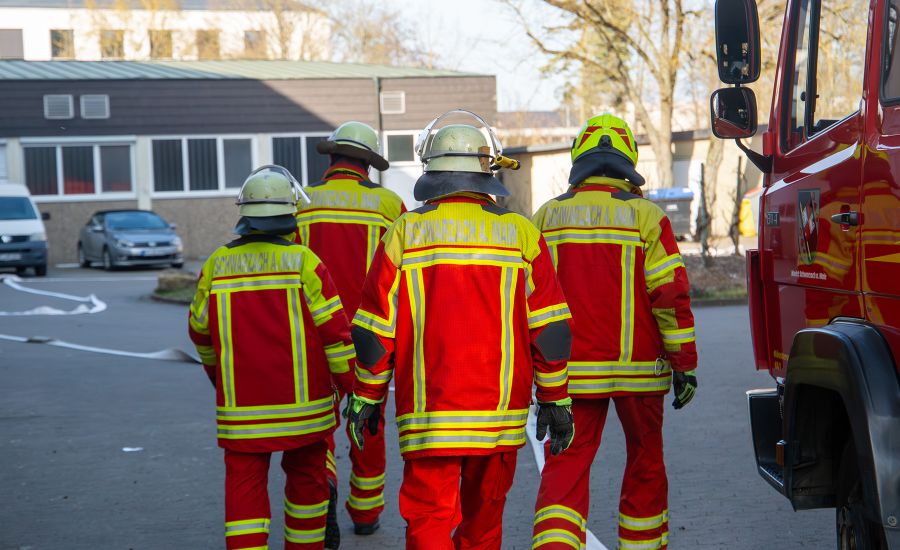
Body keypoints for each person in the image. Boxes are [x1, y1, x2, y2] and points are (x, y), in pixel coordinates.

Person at [346, 110, 575, 550]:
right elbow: (550, 332)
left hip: (428, 417)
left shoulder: (405, 233)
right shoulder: (521, 235)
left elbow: (375, 334)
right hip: (499, 419)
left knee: (429, 520)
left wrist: (367, 396)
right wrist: (554, 399)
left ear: (430, 169)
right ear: (487, 169)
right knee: (484, 524)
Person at [529, 113, 698, 550]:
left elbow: (526, 300)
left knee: (565, 466)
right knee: (645, 462)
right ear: (628, 162)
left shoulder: (546, 218)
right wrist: (684, 365)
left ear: (579, 161)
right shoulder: (647, 217)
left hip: (570, 376)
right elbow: (670, 297)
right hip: (641, 373)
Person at [188, 165, 356, 550]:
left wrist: (220, 378)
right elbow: (337, 338)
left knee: (244, 491)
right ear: (291, 211)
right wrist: (353, 390)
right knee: (307, 486)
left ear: (244, 214)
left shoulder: (216, 264)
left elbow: (199, 331)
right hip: (305, 410)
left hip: (241, 410)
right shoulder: (305, 263)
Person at [294, 121, 406, 539]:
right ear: (368, 164)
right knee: (367, 416)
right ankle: (364, 511)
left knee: (320, 419)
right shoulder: (389, 205)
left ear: (332, 158)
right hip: (367, 333)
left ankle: (324, 481)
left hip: (311, 333)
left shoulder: (302, 202)